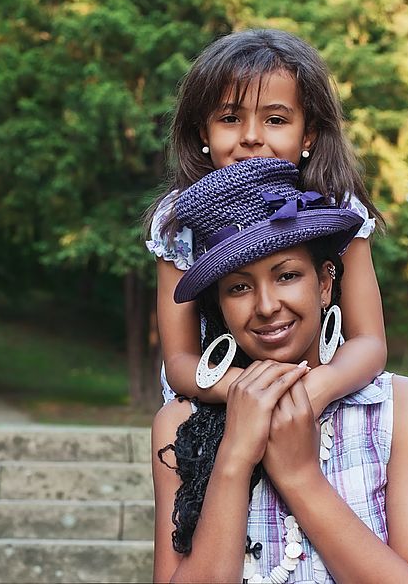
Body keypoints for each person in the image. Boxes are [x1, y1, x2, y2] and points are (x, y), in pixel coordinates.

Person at [151, 157, 408, 584]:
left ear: (325, 284)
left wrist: (300, 477)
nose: (267, 306)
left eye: (286, 275)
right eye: (239, 287)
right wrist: (234, 456)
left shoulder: (397, 410)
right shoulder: (180, 423)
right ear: (222, 306)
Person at [145, 28, 387, 417]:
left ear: (307, 134)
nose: (252, 137)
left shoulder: (338, 202)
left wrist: (314, 389)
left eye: (275, 119)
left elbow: (369, 342)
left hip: (327, 394)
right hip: (222, 401)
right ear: (203, 131)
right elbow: (180, 361)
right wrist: (250, 393)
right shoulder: (178, 221)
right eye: (229, 118)